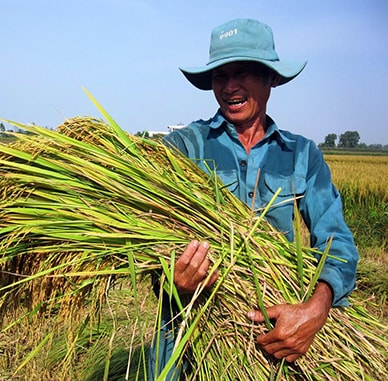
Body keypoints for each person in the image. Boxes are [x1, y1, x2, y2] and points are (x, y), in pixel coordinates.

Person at [148, 18, 358, 380]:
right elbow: (149, 234)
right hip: (191, 324)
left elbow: (336, 240)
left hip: (276, 329)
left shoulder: (300, 154)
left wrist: (317, 307)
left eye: (242, 73)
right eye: (219, 76)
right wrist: (173, 278)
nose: (229, 86)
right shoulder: (184, 147)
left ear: (271, 78)